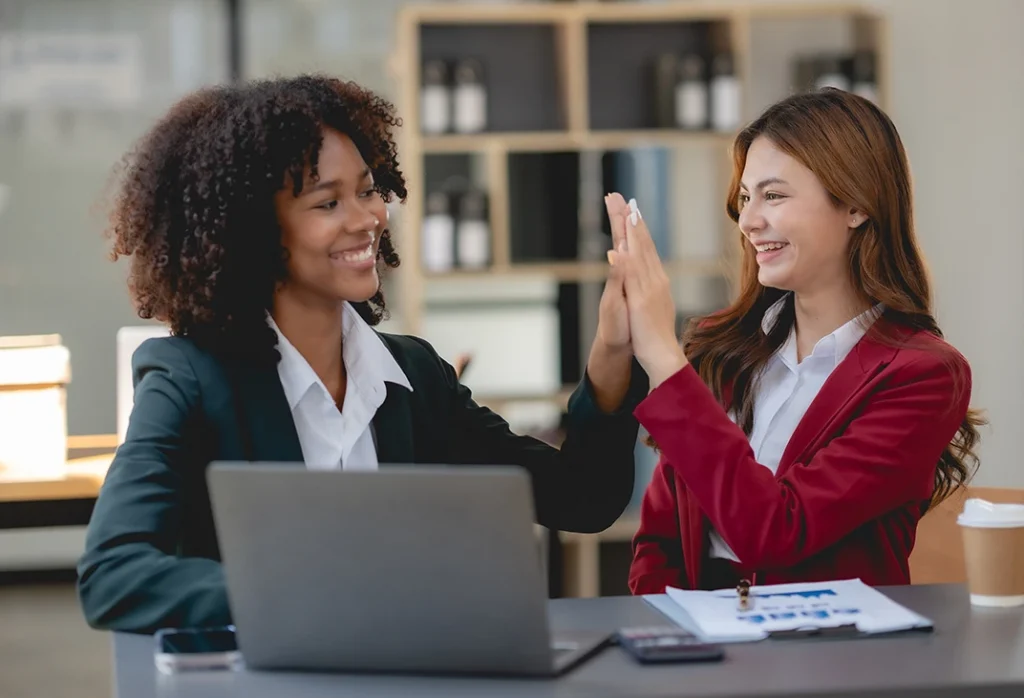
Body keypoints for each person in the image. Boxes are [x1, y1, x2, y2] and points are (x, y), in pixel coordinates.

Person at [78, 75, 648, 633]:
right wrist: (312, 595)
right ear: (253, 230)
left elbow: (584, 498)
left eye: (369, 190)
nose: (367, 219)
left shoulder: (414, 377)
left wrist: (612, 348)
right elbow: (114, 574)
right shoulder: (190, 378)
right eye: (328, 203)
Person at [605, 88, 983, 594]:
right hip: (701, 652)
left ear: (854, 204)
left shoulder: (923, 375)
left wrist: (663, 359)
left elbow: (778, 532)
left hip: (830, 657)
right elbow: (659, 543)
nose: (748, 221)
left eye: (774, 195)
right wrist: (671, 646)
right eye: (745, 198)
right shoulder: (722, 350)